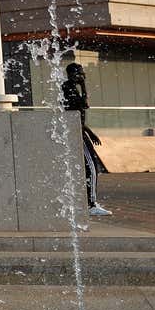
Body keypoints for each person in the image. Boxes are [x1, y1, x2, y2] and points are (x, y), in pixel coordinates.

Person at [61, 63, 111, 217]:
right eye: (80, 74)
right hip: (76, 132)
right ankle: (91, 205)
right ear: (73, 74)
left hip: (80, 131)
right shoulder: (68, 88)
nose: (82, 76)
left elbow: (78, 114)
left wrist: (91, 132)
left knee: (89, 167)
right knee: (92, 167)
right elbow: (84, 105)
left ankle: (88, 202)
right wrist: (84, 86)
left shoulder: (69, 87)